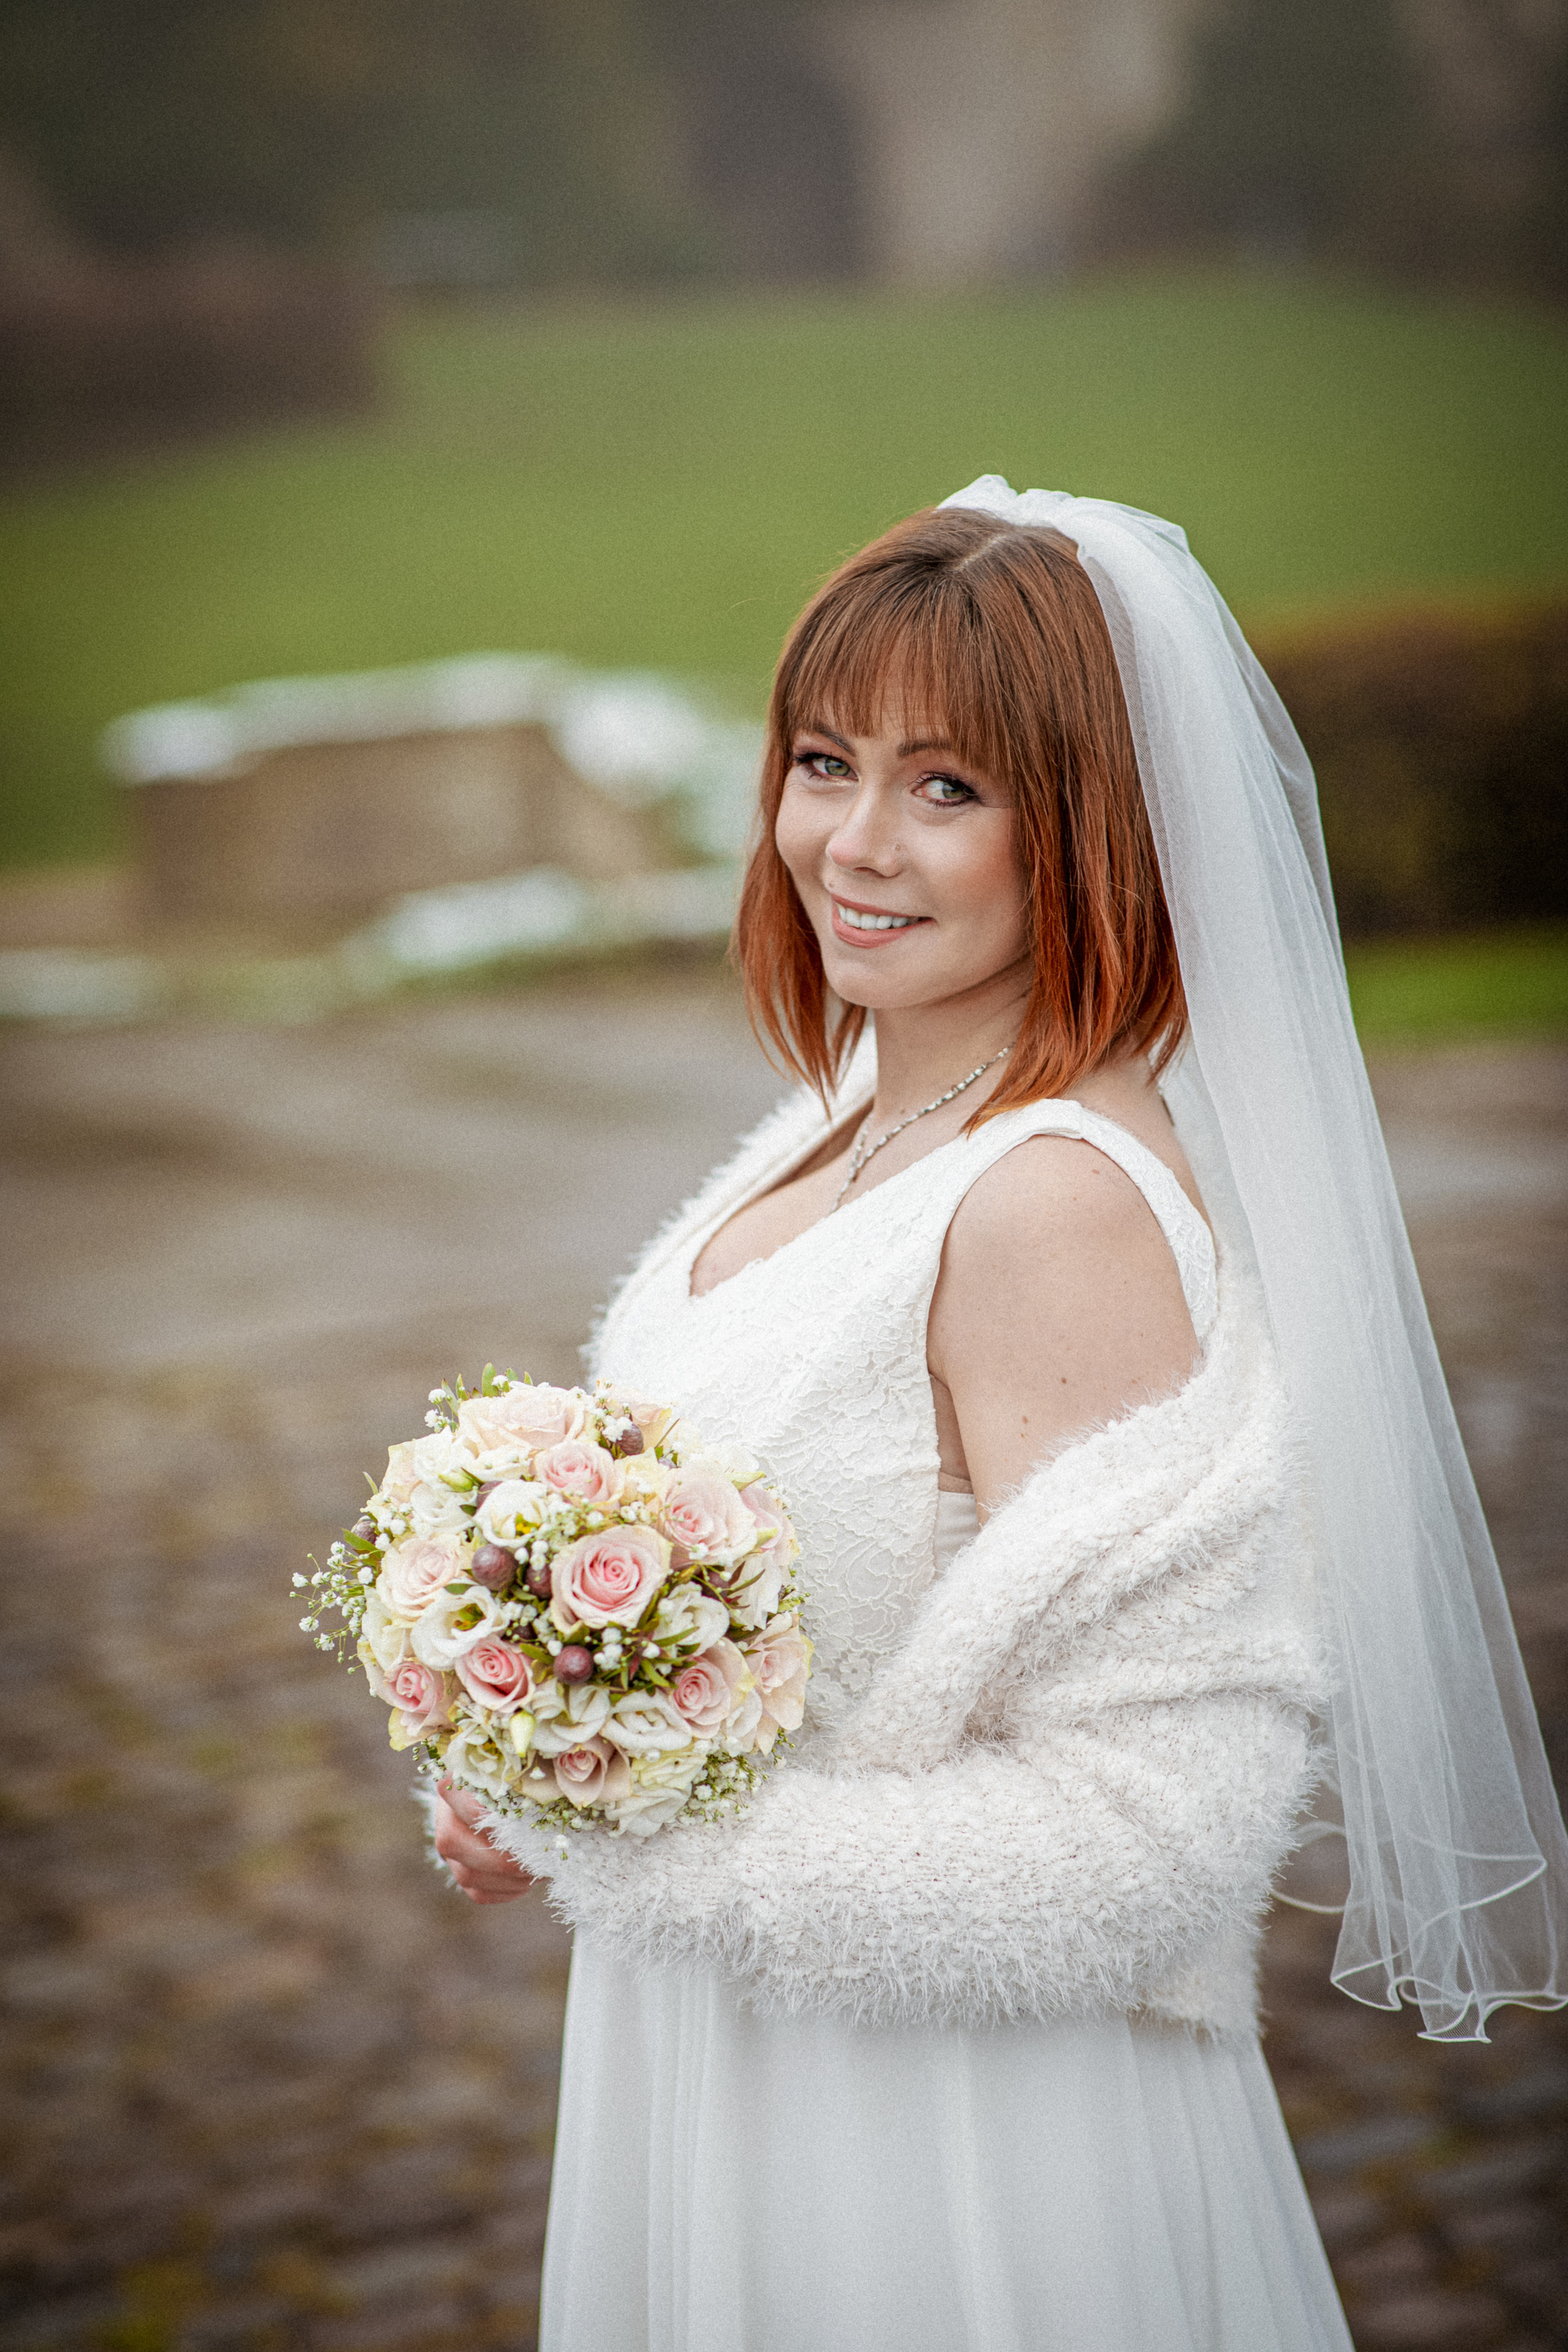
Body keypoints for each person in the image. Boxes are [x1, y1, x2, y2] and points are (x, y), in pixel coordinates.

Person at [433, 481, 1568, 2352]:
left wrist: (625, 1839)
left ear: (1095, 829)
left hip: (951, 2169)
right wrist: (551, 1728)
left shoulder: (1056, 1205)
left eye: (948, 787)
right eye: (821, 761)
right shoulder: (835, 1123)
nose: (853, 843)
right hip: (722, 2070)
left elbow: (1147, 1845)